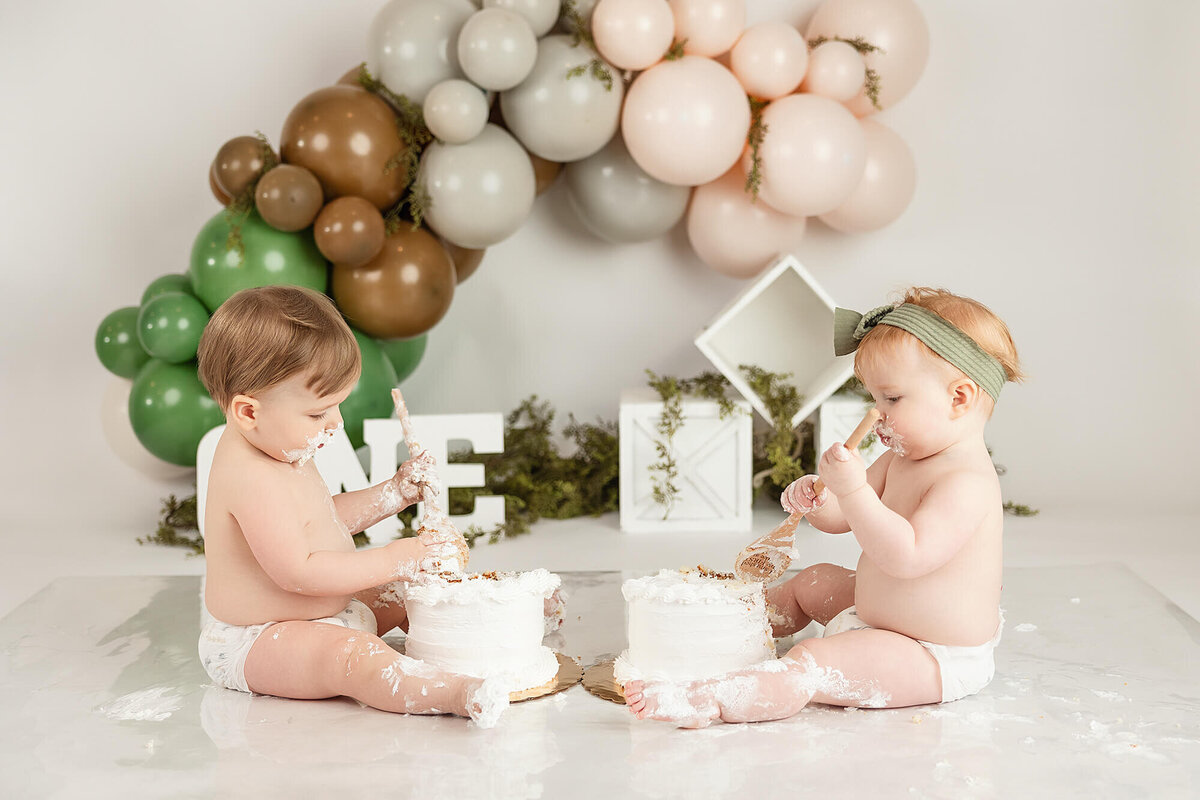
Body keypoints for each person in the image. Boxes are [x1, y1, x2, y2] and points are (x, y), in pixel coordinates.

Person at [625, 287, 1023, 727]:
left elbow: (904, 557)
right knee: (811, 581)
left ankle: (714, 699)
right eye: (874, 399)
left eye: (892, 399)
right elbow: (841, 520)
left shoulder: (966, 482)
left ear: (959, 398)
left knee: (811, 660)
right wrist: (820, 498)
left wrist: (853, 492)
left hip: (925, 651)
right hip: (875, 615)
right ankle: (723, 634)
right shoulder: (903, 457)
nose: (878, 414)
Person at [196, 285, 506, 727]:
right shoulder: (250, 476)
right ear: (248, 412)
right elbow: (299, 571)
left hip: (329, 609)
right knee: (353, 658)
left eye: (337, 407)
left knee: (416, 596)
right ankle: (454, 692)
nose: (336, 424)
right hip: (260, 639)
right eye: (319, 413)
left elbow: (322, 521)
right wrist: (395, 557)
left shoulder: (281, 444)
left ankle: (501, 629)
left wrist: (393, 493)